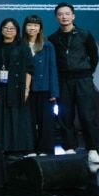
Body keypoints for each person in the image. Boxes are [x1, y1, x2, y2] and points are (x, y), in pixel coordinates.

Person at [48, 3, 99, 163]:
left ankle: (92, 149)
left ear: (73, 16)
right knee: (65, 116)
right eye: (60, 14)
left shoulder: (85, 34)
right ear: (56, 18)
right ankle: (69, 148)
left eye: (67, 13)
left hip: (83, 79)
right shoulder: (53, 38)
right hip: (63, 80)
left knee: (87, 115)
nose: (64, 17)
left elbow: (94, 56)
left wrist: (86, 73)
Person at [0, 18, 34, 155]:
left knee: (17, 117)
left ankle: (18, 148)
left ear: (17, 31)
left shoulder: (22, 47)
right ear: (1, 30)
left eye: (12, 28)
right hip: (0, 87)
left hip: (18, 87)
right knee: (1, 116)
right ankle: (2, 147)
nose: (8, 30)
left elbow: (29, 69)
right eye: (5, 28)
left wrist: (27, 89)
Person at [23, 15, 60, 156]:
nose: (32, 28)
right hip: (25, 89)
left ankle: (45, 149)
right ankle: (29, 148)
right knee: (28, 120)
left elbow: (53, 68)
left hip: (44, 88)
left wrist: (54, 92)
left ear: (40, 28)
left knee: (46, 121)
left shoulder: (47, 45)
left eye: (35, 25)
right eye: (29, 25)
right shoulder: (20, 45)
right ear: (25, 27)